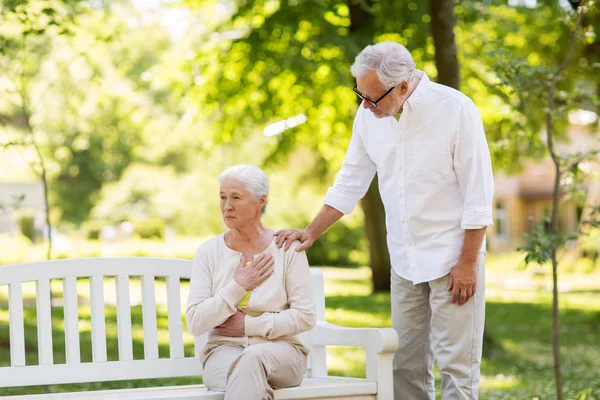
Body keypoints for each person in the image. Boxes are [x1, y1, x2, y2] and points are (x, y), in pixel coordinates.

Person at [275, 42, 494, 400]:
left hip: (453, 258)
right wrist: (310, 232)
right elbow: (351, 180)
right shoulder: (368, 115)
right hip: (405, 261)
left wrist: (468, 262)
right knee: (404, 364)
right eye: (359, 94)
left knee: (457, 365)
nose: (364, 105)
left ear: (404, 86)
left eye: (373, 98)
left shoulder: (455, 110)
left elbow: (478, 194)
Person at [186, 164, 316, 400]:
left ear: (260, 201)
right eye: (223, 197)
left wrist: (248, 326)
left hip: (283, 353)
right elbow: (195, 322)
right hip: (223, 352)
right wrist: (238, 286)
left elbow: (305, 315)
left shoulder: (287, 249)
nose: (227, 206)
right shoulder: (208, 252)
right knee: (247, 375)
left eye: (236, 197)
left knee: (251, 360)